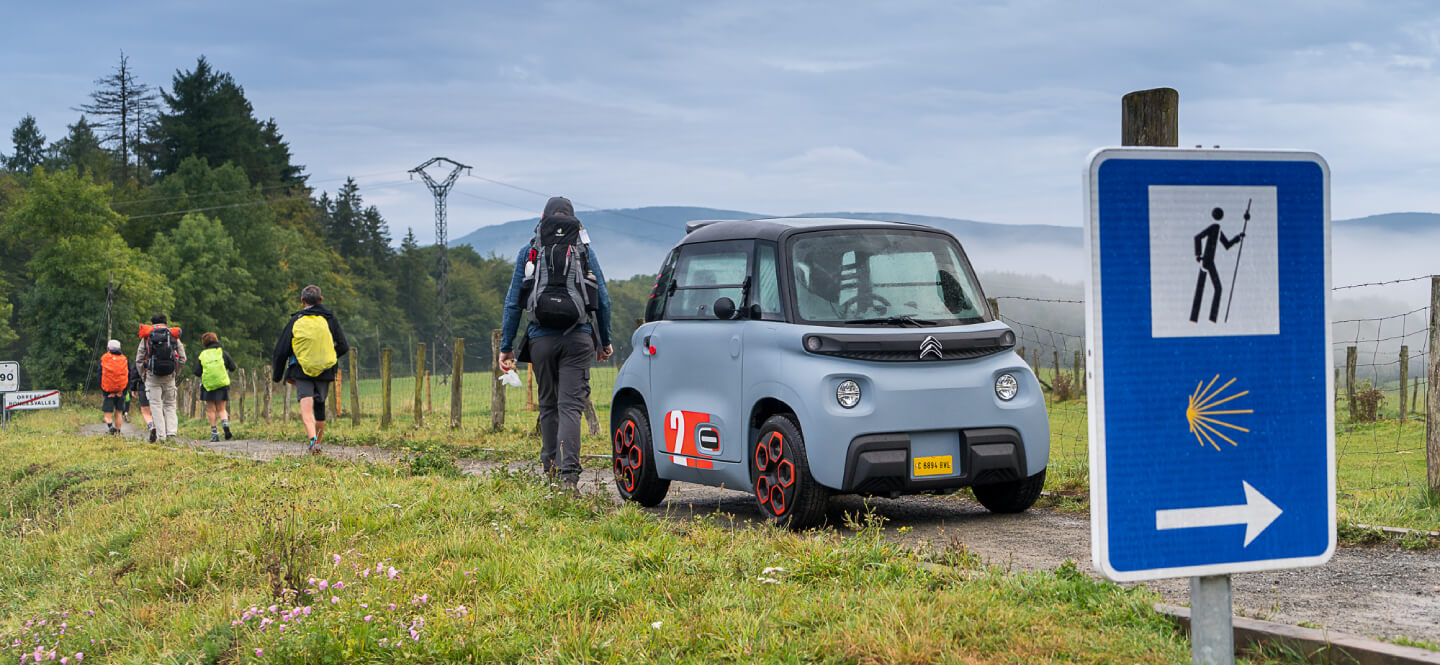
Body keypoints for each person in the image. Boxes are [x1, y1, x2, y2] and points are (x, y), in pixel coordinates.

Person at [499, 196, 613, 492]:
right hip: (578, 337)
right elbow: (603, 297)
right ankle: (569, 479)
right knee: (571, 407)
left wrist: (506, 346)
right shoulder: (584, 250)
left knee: (548, 406)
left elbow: (514, 302)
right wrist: (606, 341)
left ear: (543, 217)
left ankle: (550, 471)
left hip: (540, 340)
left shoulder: (530, 250)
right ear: (574, 220)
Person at [272, 284, 349, 454]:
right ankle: (318, 443)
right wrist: (328, 356)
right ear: (321, 300)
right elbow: (344, 346)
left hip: (301, 369)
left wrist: (277, 375)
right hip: (326, 370)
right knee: (319, 405)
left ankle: (313, 441)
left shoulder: (296, 320)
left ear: (302, 301)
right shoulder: (330, 318)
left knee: (306, 407)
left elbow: (281, 350)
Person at [135, 313, 186, 441]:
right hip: (169, 375)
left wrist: (144, 376)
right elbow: (182, 358)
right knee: (169, 404)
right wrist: (175, 372)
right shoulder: (173, 335)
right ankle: (171, 434)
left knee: (155, 405)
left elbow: (139, 360)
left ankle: (161, 436)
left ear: (152, 323)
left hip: (152, 376)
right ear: (166, 323)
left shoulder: (147, 336)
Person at [193, 331, 237, 442]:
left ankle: (214, 434)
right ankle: (225, 425)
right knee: (221, 408)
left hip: (208, 385)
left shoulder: (203, 355)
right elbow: (233, 367)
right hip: (222, 383)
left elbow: (197, 372)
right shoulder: (222, 352)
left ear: (204, 343)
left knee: (211, 409)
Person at [97, 339, 135, 435]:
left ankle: (110, 426)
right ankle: (118, 432)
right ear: (120, 348)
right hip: (120, 391)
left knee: (107, 414)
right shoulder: (124, 359)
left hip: (108, 392)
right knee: (118, 413)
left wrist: (106, 391)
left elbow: (100, 375)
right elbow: (129, 375)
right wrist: (124, 391)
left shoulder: (104, 358)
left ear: (108, 348)